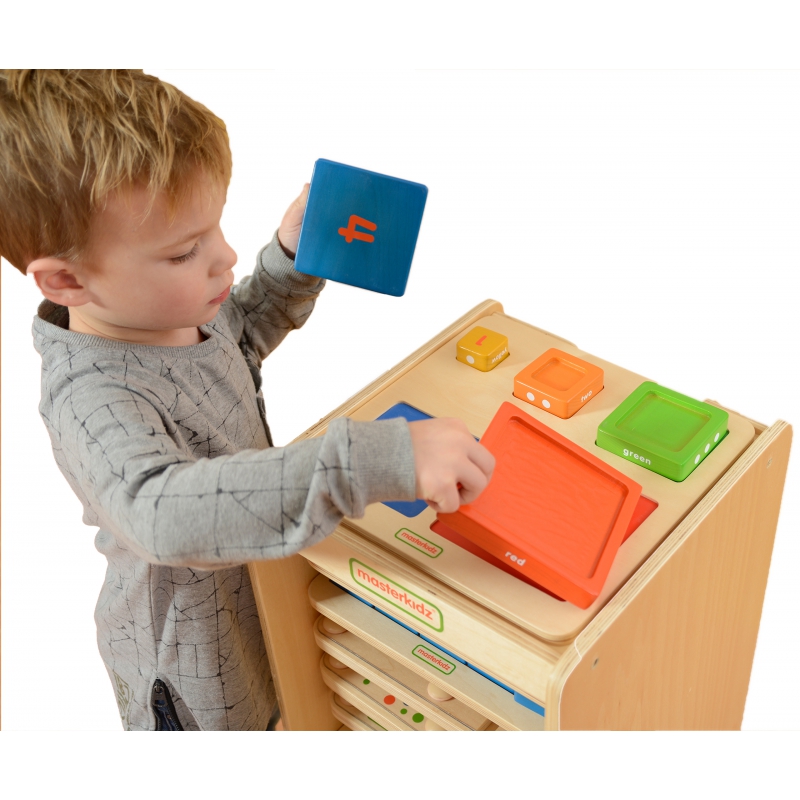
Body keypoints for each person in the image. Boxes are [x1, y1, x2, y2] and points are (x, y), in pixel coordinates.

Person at [0, 69, 495, 730]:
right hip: (195, 668)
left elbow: (239, 338)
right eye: (184, 252)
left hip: (262, 589)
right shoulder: (90, 397)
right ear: (66, 281)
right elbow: (161, 514)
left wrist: (293, 256)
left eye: (215, 229)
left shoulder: (162, 315)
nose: (226, 256)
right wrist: (370, 462)